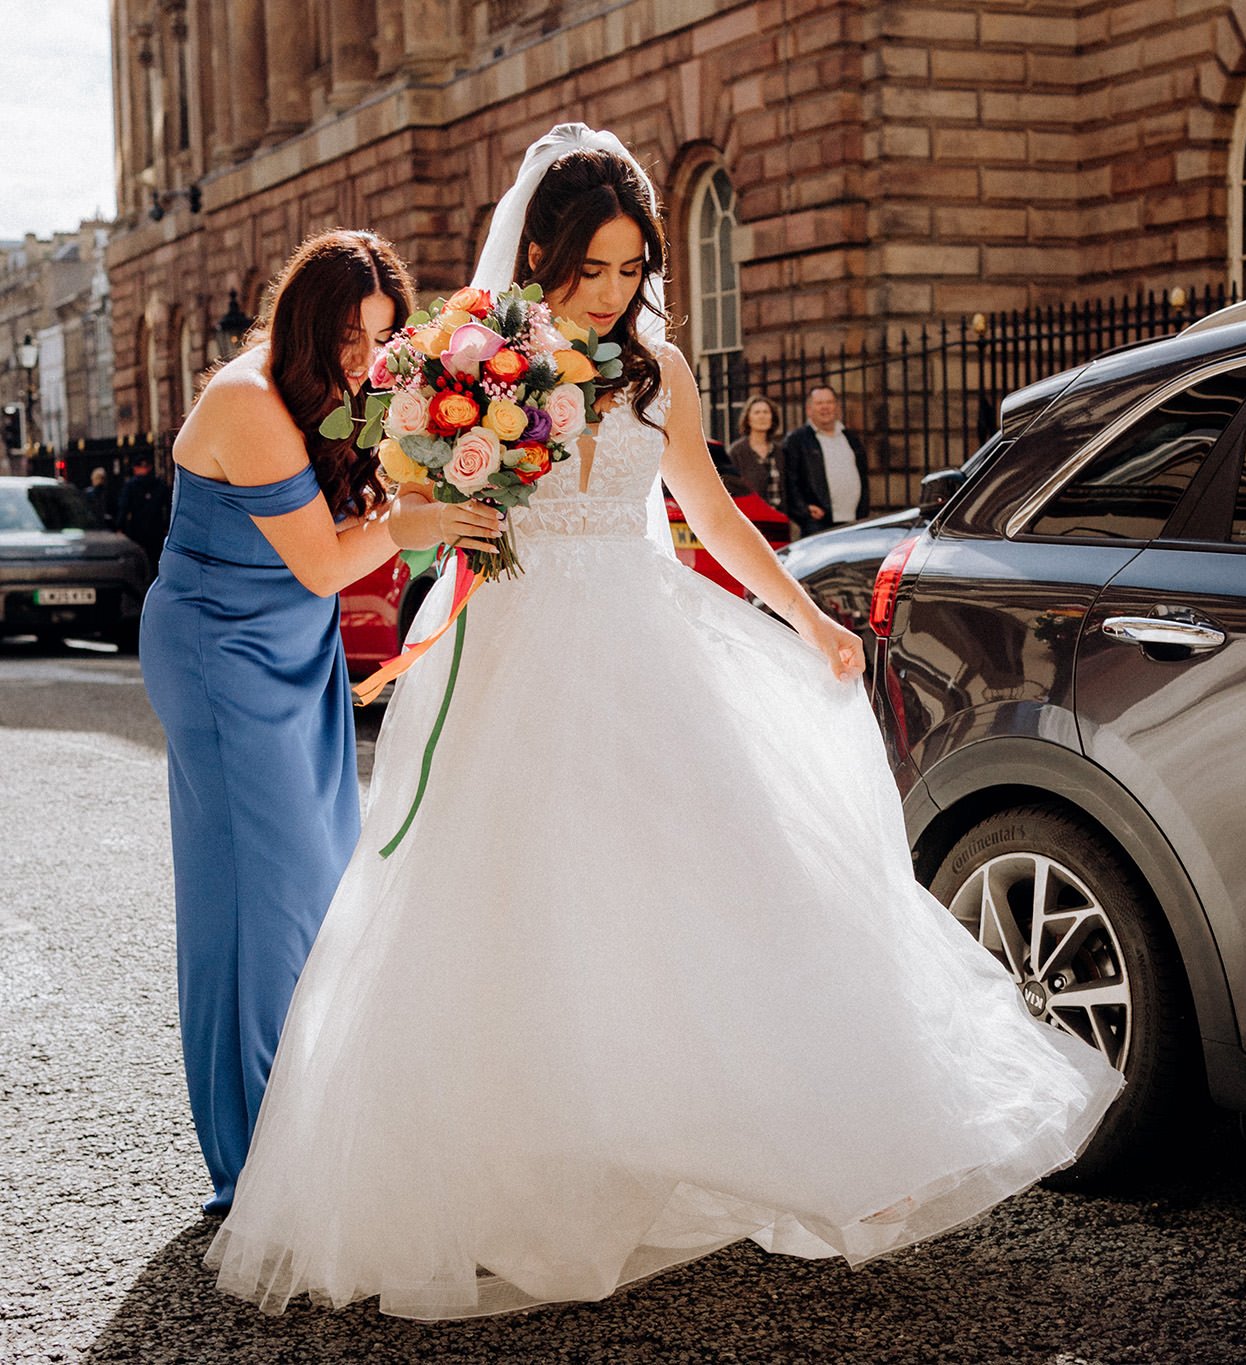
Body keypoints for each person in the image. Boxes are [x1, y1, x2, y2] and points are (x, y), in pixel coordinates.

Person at [205, 125, 1121, 1320]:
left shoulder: (661, 372)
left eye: (632, 267)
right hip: (517, 650)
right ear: (540, 255)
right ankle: (516, 1168)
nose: (612, 289)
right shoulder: (473, 355)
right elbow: (421, 493)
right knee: (508, 907)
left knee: (717, 885)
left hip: (642, 641)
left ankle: (776, 1135)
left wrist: (808, 620)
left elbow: (714, 519)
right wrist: (461, 493)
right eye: (590, 267)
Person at [138, 230, 501, 1219]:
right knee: (258, 904)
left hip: (292, 650)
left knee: (313, 881)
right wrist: (416, 521)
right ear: (304, 314)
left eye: (380, 337)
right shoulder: (248, 402)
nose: (363, 357)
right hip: (221, 654)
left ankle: (304, 1127)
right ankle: (254, 1160)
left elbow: (360, 515)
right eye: (350, 333)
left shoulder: (326, 393)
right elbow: (327, 562)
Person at [781, 382, 868, 538]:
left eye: (829, 402)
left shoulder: (850, 438)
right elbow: (789, 480)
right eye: (819, 403)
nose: (825, 407)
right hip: (818, 524)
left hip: (854, 521)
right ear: (809, 410)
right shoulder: (797, 440)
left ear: (836, 407)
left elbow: (863, 476)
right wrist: (804, 509)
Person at [115, 452, 172, 576]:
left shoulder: (130, 486)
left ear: (135, 469)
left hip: (137, 529)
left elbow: (124, 508)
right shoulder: (160, 485)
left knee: (138, 559)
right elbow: (169, 506)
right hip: (156, 528)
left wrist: (120, 527)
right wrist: (167, 525)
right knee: (155, 560)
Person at [727, 393, 783, 505]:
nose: (762, 416)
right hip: (751, 518)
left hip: (779, 518)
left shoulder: (779, 451)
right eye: (757, 412)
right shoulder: (737, 452)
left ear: (772, 418)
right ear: (748, 419)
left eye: (766, 412)